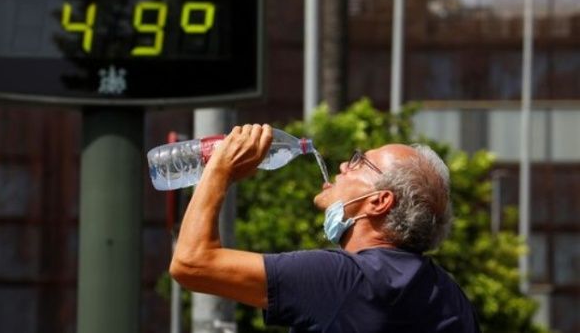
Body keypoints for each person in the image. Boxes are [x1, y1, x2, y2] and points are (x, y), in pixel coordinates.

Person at [169, 123, 481, 333]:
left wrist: (219, 169)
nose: (345, 165)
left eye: (360, 162)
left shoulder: (342, 279)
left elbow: (192, 262)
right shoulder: (452, 298)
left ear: (379, 201)